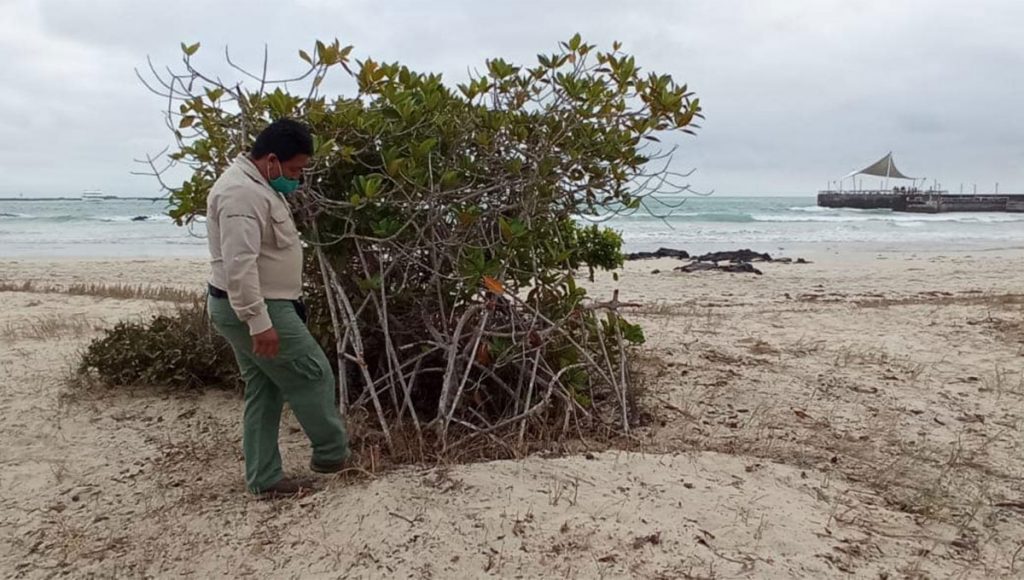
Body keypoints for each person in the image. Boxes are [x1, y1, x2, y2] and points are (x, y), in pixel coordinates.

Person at [206, 119, 350, 499]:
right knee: (313, 373)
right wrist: (258, 321)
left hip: (257, 303)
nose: (298, 178)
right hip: (259, 306)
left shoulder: (258, 185)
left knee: (266, 389)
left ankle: (264, 479)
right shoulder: (241, 194)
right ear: (271, 160)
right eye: (295, 169)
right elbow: (240, 265)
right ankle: (333, 457)